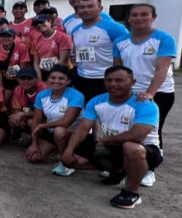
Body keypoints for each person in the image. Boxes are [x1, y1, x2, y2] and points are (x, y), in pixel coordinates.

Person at [61, 66, 161, 209]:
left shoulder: (145, 104)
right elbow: (83, 128)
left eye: (119, 80)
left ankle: (131, 192)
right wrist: (68, 151)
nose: (113, 84)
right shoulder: (96, 101)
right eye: (109, 80)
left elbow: (138, 135)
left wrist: (107, 139)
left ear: (133, 82)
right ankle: (118, 170)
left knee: (131, 148)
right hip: (111, 146)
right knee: (72, 160)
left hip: (143, 150)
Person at [113, 3, 176, 162]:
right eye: (134, 15)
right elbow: (118, 69)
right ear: (128, 18)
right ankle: (124, 164)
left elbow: (162, 69)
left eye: (144, 14)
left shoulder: (164, 38)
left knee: (152, 130)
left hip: (159, 92)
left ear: (153, 17)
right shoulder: (120, 41)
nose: (138, 18)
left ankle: (150, 167)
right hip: (130, 93)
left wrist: (150, 93)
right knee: (126, 128)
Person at [25, 65, 84, 175]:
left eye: (61, 78)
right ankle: (58, 148)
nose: (56, 81)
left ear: (68, 81)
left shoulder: (76, 95)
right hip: (52, 131)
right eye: (53, 78)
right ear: (48, 79)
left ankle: (65, 162)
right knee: (33, 157)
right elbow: (36, 120)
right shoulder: (42, 95)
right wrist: (34, 143)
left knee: (59, 131)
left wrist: (42, 126)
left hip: (73, 133)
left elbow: (66, 122)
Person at [70, 0, 129, 102]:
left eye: (90, 6)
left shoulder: (114, 28)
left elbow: (128, 53)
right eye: (82, 7)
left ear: (100, 8)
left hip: (106, 79)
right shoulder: (75, 30)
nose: (86, 10)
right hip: (82, 78)